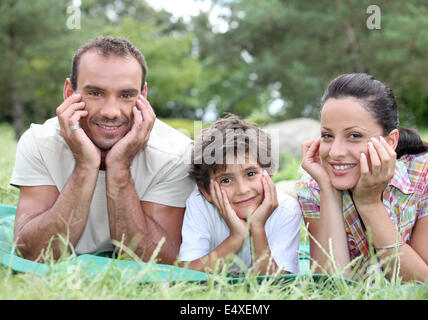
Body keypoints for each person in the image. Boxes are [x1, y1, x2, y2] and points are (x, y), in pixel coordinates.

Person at [10, 36, 195, 264]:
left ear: (142, 96)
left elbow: (159, 262)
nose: (111, 112)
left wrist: (119, 168)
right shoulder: (39, 142)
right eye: (96, 93)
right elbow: (33, 253)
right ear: (69, 92)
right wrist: (86, 165)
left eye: (126, 95)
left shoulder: (175, 153)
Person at [296, 73, 428, 283]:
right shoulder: (313, 186)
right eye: (327, 136)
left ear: (390, 141)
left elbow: (427, 285)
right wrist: (328, 192)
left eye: (354, 135)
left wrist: (368, 203)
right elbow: (331, 287)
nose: (336, 152)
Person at [178, 114, 302, 275]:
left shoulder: (287, 209)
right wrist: (237, 237)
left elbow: (278, 285)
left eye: (250, 174)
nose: (243, 190)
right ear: (206, 191)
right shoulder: (199, 204)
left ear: (269, 176)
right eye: (226, 180)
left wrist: (257, 228)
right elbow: (185, 276)